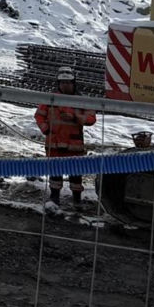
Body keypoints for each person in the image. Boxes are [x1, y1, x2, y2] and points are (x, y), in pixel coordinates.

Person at [35, 67, 97, 207]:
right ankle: (54, 198)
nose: (65, 85)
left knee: (75, 174)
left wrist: (75, 117)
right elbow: (39, 115)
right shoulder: (51, 98)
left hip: (74, 144)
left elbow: (91, 119)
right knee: (55, 172)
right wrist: (45, 129)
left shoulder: (82, 100)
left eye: (68, 83)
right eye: (62, 83)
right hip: (54, 143)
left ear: (73, 83)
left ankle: (77, 200)